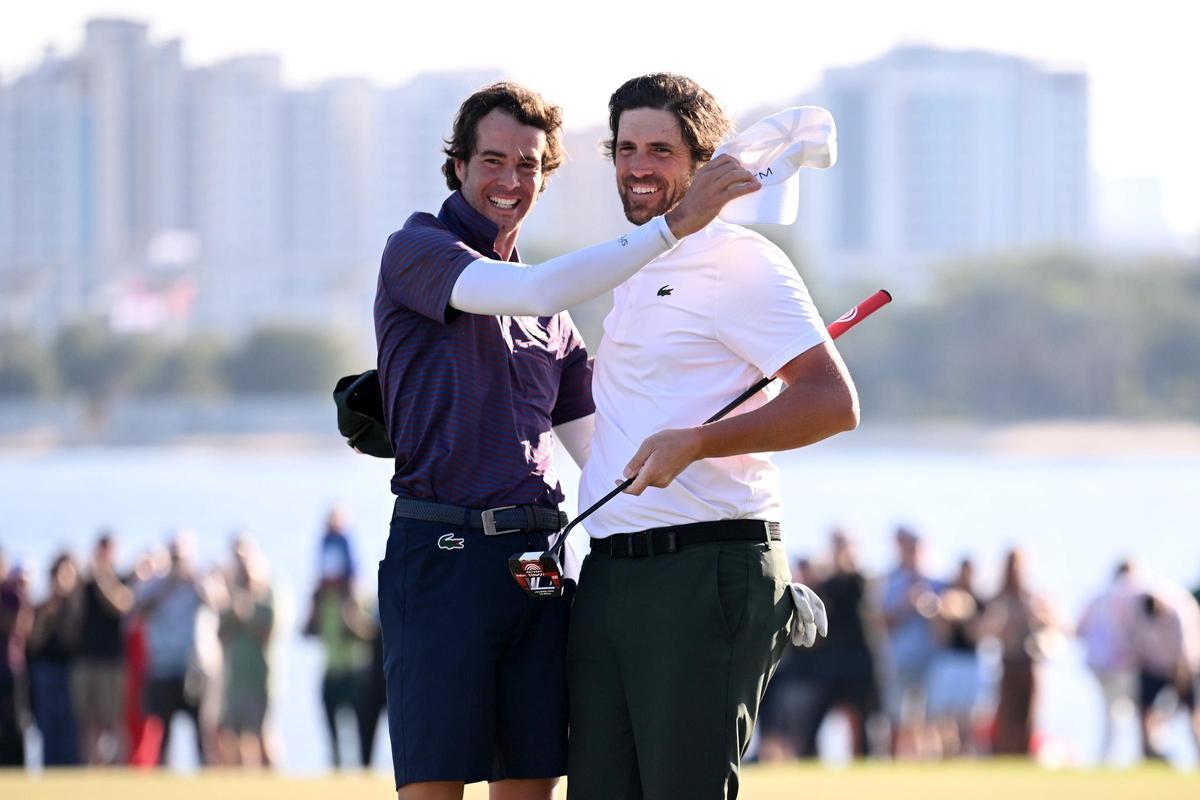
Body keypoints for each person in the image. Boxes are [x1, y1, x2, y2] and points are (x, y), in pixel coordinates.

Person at [373, 80, 755, 800]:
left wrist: (729, 538)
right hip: (443, 558)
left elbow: (605, 450)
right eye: (492, 161)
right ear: (457, 165)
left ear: (546, 176)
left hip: (539, 565)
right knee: (433, 789)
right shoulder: (418, 249)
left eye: (528, 166)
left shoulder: (552, 324)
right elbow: (539, 289)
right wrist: (673, 226)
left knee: (533, 786)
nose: (510, 181)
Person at [568, 73, 857, 800]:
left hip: (704, 569)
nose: (638, 166)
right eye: (626, 148)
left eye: (660, 150)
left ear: (703, 164)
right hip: (611, 573)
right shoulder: (634, 266)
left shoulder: (741, 261)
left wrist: (697, 442)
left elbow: (831, 401)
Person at [134, 532, 213, 765]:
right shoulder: (155, 584)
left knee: (202, 734)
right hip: (163, 667)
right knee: (163, 734)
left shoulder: (199, 581)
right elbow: (139, 611)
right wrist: (169, 585)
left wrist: (195, 581)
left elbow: (218, 602)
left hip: (194, 668)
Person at [808, 530, 884, 759]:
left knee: (864, 717)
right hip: (833, 659)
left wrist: (849, 562)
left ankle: (865, 759)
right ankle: (810, 757)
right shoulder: (827, 583)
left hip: (861, 658)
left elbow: (867, 597)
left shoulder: (863, 580)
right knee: (817, 716)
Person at [979, 548, 1058, 756]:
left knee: (1029, 715)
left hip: (1031, 661)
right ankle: (1004, 754)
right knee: (1007, 713)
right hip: (1009, 660)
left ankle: (1026, 755)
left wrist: (1039, 617)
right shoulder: (999, 598)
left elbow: (1057, 624)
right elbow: (984, 630)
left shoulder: (1035, 598)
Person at [303, 541, 371, 770]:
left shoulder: (357, 594)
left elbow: (370, 635)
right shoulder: (321, 597)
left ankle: (362, 774)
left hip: (354, 673)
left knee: (361, 732)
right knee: (332, 736)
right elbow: (306, 632)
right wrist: (314, 605)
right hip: (330, 672)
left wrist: (349, 617)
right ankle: (336, 770)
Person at [72, 532, 134, 765]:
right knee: (87, 721)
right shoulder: (85, 583)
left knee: (113, 719)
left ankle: (119, 766)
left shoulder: (121, 578)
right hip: (86, 659)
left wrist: (102, 578)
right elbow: (75, 618)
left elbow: (121, 605)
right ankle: (90, 765)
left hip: (112, 660)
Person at [879, 526, 941, 758]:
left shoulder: (936, 582)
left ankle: (926, 760)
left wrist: (933, 606)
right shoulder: (891, 580)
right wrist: (906, 604)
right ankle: (895, 760)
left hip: (929, 659)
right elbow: (882, 620)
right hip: (898, 658)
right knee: (896, 714)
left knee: (927, 717)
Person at [216, 535, 275, 767]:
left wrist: (246, 612)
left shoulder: (268, 596)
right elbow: (221, 634)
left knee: (262, 738)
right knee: (231, 739)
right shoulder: (229, 599)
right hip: (235, 680)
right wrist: (234, 608)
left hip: (260, 680)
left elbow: (268, 632)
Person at [1076, 560, 1141, 763]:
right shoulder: (1132, 597)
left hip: (1099, 665)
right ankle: (1116, 758)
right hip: (1121, 664)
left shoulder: (1097, 599)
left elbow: (1080, 629)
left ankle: (1110, 757)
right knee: (1119, 712)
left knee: (1113, 712)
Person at [27, 553, 82, 766]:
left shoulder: (77, 604)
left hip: (72, 670)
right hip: (46, 670)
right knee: (48, 725)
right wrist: (49, 612)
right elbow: (34, 641)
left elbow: (73, 639)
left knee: (70, 727)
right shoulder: (44, 605)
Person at [1131, 588, 1200, 760]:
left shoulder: (1179, 612)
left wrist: (1181, 674)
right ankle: (1149, 754)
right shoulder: (1142, 614)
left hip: (1184, 668)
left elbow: (1185, 648)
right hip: (1154, 667)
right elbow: (1139, 645)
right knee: (1146, 711)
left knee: (1193, 712)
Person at [926, 558, 984, 758]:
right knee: (944, 716)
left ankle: (963, 754)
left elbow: (977, 634)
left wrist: (965, 615)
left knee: (967, 717)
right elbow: (941, 636)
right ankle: (947, 755)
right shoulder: (945, 594)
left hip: (970, 663)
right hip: (948, 661)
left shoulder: (980, 600)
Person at [0, 562, 32, 766]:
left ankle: (16, 764)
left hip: (10, 665)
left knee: (15, 718)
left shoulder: (13, 593)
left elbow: (21, 625)